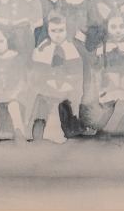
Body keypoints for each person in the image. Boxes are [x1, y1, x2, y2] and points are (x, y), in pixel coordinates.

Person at [25, 14, 82, 144]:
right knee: (42, 99)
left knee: (66, 101)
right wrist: (48, 83)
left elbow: (76, 74)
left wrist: (68, 83)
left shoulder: (71, 48)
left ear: (66, 30)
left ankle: (63, 127)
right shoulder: (42, 49)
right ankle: (40, 128)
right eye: (53, 31)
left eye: (61, 30)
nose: (58, 34)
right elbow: (37, 75)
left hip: (67, 88)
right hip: (46, 87)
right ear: (48, 31)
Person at [0, 28, 29, 142]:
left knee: (14, 106)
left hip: (13, 92)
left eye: (1, 41)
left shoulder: (15, 58)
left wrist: (15, 92)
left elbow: (21, 78)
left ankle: (19, 132)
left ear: (7, 40)